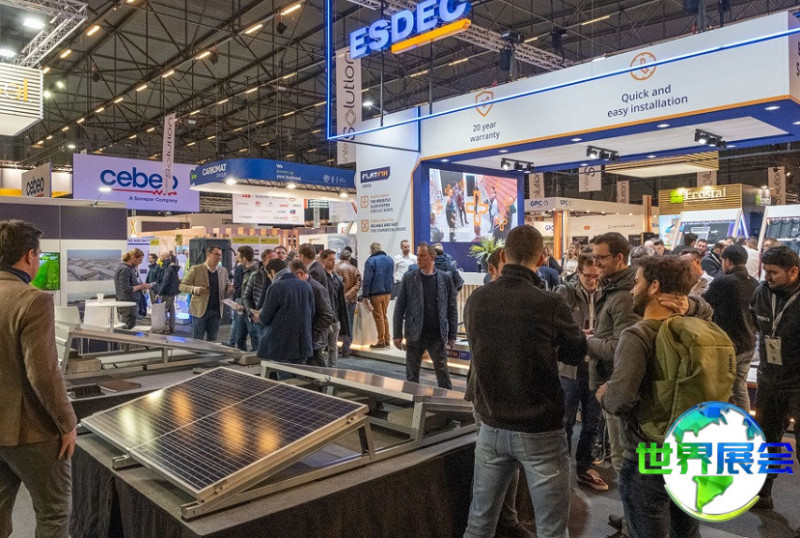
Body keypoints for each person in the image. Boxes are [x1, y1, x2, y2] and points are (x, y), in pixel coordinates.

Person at [462, 225, 587, 538]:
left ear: (503, 256)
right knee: (551, 529)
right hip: (540, 431)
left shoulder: (477, 299)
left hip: (491, 425)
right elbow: (576, 353)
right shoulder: (550, 303)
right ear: (542, 259)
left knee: (479, 523)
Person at [598, 256, 708, 538]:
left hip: (648, 455)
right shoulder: (698, 330)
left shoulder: (638, 335)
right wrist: (691, 305)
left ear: (654, 286)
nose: (633, 290)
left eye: (637, 283)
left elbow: (620, 400)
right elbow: (707, 310)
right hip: (689, 450)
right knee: (686, 531)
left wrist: (604, 394)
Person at [0, 220, 78, 538]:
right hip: (30, 431)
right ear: (30, 255)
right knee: (54, 512)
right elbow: (43, 373)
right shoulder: (34, 300)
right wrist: (67, 423)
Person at [750, 246, 800, 514]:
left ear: (793, 271)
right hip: (769, 378)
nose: (766, 277)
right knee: (767, 438)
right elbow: (755, 323)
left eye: (773, 272)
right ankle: (763, 492)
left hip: (798, 382)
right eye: (765, 271)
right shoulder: (761, 293)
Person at [555, 253, 608, 492]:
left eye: (597, 276)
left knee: (592, 422)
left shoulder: (606, 295)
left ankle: (584, 467)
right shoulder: (564, 293)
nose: (593, 281)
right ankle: (562, 469)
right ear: (578, 273)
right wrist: (579, 335)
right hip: (569, 368)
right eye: (588, 276)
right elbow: (555, 329)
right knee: (565, 421)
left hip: (595, 366)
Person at [393, 243, 458, 389]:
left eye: (422, 255)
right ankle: (413, 399)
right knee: (412, 375)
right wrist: (397, 334)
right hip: (415, 334)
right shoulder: (409, 278)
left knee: (442, 373)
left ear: (432, 257)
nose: (418, 258)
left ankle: (447, 399)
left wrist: (452, 335)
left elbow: (451, 308)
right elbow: (399, 307)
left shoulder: (445, 279)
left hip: (437, 335)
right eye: (418, 255)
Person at [702, 244, 759, 411]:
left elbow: (704, 304)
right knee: (740, 388)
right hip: (749, 343)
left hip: (728, 345)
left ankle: (718, 422)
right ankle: (744, 423)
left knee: (720, 388)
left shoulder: (723, 281)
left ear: (727, 261)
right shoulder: (755, 283)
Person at [256, 259, 314, 368]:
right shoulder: (306, 286)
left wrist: (259, 315)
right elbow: (312, 312)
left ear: (272, 272)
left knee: (284, 375)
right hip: (303, 343)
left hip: (282, 345)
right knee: (299, 373)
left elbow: (265, 318)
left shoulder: (275, 287)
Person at [179, 245, 233, 341]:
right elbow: (182, 286)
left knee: (212, 340)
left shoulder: (223, 271)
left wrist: (230, 288)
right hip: (200, 310)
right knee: (198, 340)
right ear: (209, 254)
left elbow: (227, 284)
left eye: (220, 255)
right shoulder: (196, 269)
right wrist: (195, 289)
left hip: (216, 311)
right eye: (216, 254)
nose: (219, 257)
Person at [293, 260, 335, 367]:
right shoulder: (303, 286)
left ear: (300, 274)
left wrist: (312, 332)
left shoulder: (317, 288)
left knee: (316, 366)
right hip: (307, 337)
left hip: (314, 338)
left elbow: (327, 315)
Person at [244, 257, 287, 344]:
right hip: (260, 318)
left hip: (271, 321)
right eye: (269, 259)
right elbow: (247, 296)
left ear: (272, 272)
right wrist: (252, 315)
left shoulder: (276, 286)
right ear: (263, 261)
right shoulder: (256, 275)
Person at [320, 249, 350, 367]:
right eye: (330, 260)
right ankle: (321, 371)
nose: (333, 262)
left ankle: (332, 369)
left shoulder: (337, 278)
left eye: (334, 259)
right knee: (321, 346)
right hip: (325, 318)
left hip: (335, 317)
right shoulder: (321, 277)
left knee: (333, 346)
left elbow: (339, 299)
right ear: (323, 260)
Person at [362, 242, 394, 348]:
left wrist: (365, 295)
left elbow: (367, 280)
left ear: (371, 250)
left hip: (376, 293)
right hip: (387, 293)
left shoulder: (370, 261)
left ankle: (381, 341)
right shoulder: (390, 260)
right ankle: (387, 340)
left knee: (379, 317)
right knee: (384, 316)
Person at [228, 246, 259, 351]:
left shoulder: (256, 272)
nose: (236, 257)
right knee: (239, 338)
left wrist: (245, 307)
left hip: (251, 311)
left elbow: (256, 295)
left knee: (254, 337)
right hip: (242, 309)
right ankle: (243, 357)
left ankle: (255, 358)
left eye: (237, 255)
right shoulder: (244, 270)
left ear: (244, 258)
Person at [114, 248, 150, 329]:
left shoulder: (128, 268)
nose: (140, 262)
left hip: (130, 304)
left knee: (128, 327)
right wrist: (141, 287)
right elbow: (126, 289)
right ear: (133, 257)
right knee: (127, 329)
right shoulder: (125, 269)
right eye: (139, 260)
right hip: (128, 304)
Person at [336, 250, 361, 357]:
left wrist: (342, 297)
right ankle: (346, 349)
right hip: (351, 300)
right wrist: (348, 295)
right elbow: (357, 285)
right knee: (349, 323)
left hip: (337, 301)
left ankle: (335, 347)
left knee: (337, 324)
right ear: (349, 258)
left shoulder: (335, 268)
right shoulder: (354, 269)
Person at [156, 253, 181, 334]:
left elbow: (165, 282)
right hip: (172, 291)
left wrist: (159, 293)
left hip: (167, 292)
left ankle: (165, 328)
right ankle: (171, 327)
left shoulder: (168, 268)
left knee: (165, 310)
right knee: (172, 309)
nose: (160, 258)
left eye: (161, 256)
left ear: (165, 257)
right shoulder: (172, 267)